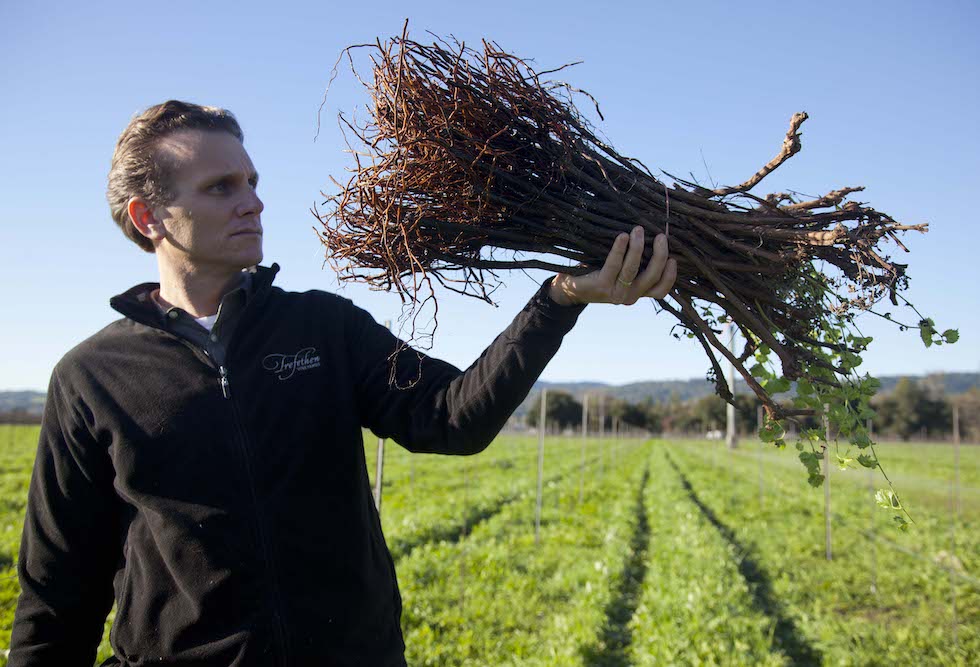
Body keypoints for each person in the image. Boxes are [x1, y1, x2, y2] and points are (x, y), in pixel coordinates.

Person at [8, 100, 677, 666]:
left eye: (251, 180)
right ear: (149, 217)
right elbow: (58, 591)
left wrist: (557, 299)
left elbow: (451, 417)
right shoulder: (91, 377)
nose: (254, 201)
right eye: (222, 187)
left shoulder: (322, 326)